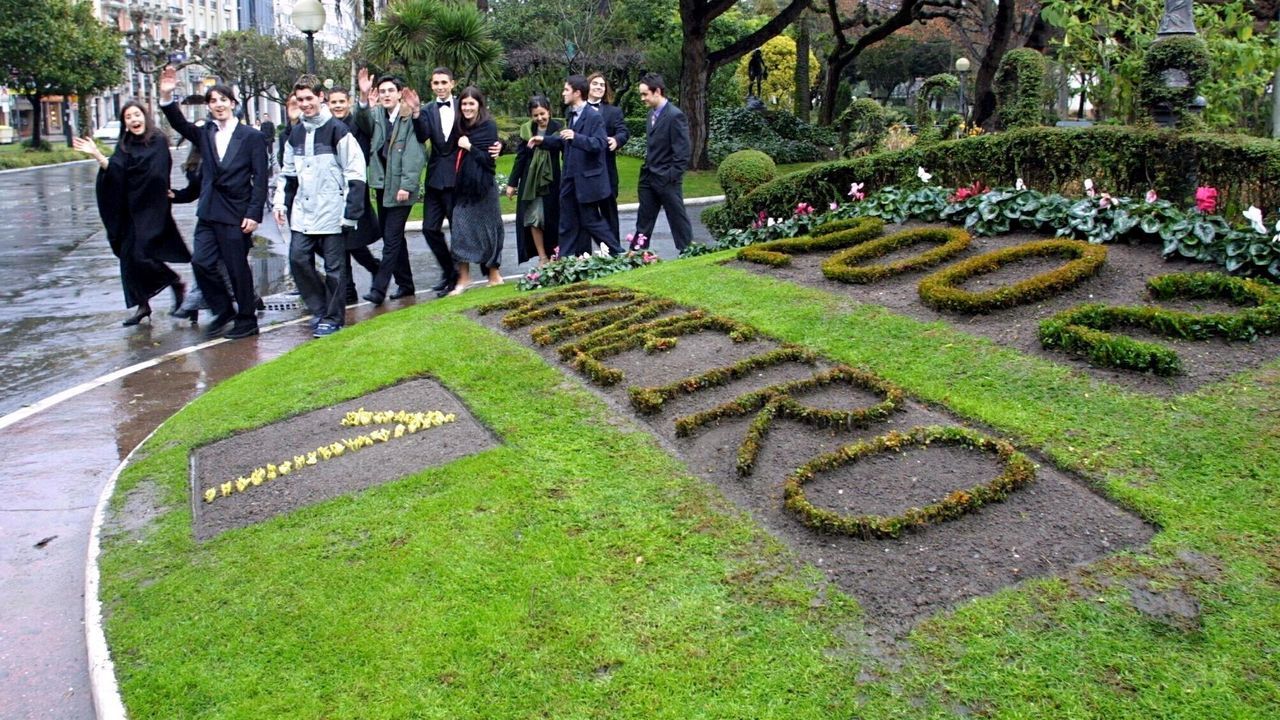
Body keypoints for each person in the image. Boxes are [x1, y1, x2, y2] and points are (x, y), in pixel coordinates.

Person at [160, 65, 269, 339]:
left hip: (236, 214)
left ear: (232, 103)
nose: (218, 105)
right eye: (213, 101)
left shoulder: (252, 137)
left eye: (223, 100)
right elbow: (179, 124)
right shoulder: (206, 132)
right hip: (209, 212)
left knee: (236, 269)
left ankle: (247, 320)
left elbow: (261, 178)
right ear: (208, 107)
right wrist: (167, 96)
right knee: (201, 262)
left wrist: (254, 213)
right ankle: (223, 309)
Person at [72, 101, 191, 327]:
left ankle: (174, 281)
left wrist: (139, 184)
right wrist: (97, 155)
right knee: (128, 258)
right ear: (124, 123)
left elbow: (156, 174)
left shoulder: (157, 140)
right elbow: (116, 172)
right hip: (128, 210)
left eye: (137, 115)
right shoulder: (125, 144)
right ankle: (142, 305)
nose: (134, 120)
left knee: (142, 254)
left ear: (144, 116)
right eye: (128, 117)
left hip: (152, 208)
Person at [272, 75, 367, 338]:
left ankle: (333, 318)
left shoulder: (338, 130)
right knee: (298, 259)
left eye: (309, 98)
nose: (304, 104)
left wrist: (350, 212)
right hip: (303, 213)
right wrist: (280, 203)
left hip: (332, 211)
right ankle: (321, 309)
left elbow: (355, 171)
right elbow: (288, 174)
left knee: (334, 269)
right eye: (300, 99)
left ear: (320, 97)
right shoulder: (295, 133)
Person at [531, 75, 618, 258]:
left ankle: (618, 253)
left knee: (591, 221)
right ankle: (565, 259)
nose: (563, 93)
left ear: (577, 93)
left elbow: (600, 143)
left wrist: (576, 137)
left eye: (566, 90)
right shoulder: (572, 114)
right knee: (567, 221)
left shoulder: (593, 116)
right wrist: (543, 141)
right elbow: (565, 140)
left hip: (585, 180)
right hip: (570, 178)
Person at [360, 73, 426, 307]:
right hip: (382, 186)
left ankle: (378, 289)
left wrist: (406, 185)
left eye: (391, 91)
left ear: (399, 94)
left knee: (391, 238)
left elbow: (415, 154)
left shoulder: (408, 117)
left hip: (400, 188)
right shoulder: (377, 114)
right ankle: (406, 284)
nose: (386, 95)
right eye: (382, 91)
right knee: (395, 238)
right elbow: (361, 123)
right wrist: (363, 97)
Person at [327, 82, 382, 304]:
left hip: (355, 187)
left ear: (348, 102)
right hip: (331, 190)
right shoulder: (325, 126)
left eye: (342, 101)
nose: (338, 105)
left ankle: (373, 268)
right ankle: (348, 289)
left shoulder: (357, 123)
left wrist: (365, 98)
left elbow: (368, 127)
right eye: (334, 102)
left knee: (354, 241)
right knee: (339, 242)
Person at [447, 86, 504, 296]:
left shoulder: (488, 126)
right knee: (460, 230)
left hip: (484, 187)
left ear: (479, 105)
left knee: (490, 230)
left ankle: (494, 275)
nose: (467, 107)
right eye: (464, 104)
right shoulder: (458, 126)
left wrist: (469, 146)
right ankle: (464, 278)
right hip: (463, 189)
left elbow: (488, 160)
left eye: (471, 103)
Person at [632, 72, 693, 252]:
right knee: (643, 221)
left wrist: (670, 176)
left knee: (678, 220)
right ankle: (636, 255)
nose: (642, 98)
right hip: (648, 178)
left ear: (657, 91)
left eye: (645, 94)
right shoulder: (650, 114)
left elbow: (683, 152)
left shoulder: (675, 115)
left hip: (667, 179)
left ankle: (689, 254)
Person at [506, 95, 561, 265]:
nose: (540, 118)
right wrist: (512, 183)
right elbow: (521, 158)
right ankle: (542, 257)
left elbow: (564, 148)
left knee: (552, 218)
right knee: (533, 218)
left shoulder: (559, 128)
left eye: (542, 113)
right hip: (530, 182)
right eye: (535, 115)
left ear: (549, 111)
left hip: (552, 182)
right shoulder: (527, 130)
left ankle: (555, 255)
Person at [586, 72, 630, 244]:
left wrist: (616, 140)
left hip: (606, 170)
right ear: (587, 86)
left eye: (602, 85)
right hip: (584, 171)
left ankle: (614, 250)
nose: (599, 87)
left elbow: (623, 131)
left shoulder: (614, 111)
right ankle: (585, 253)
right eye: (595, 83)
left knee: (609, 213)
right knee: (585, 215)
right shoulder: (575, 110)